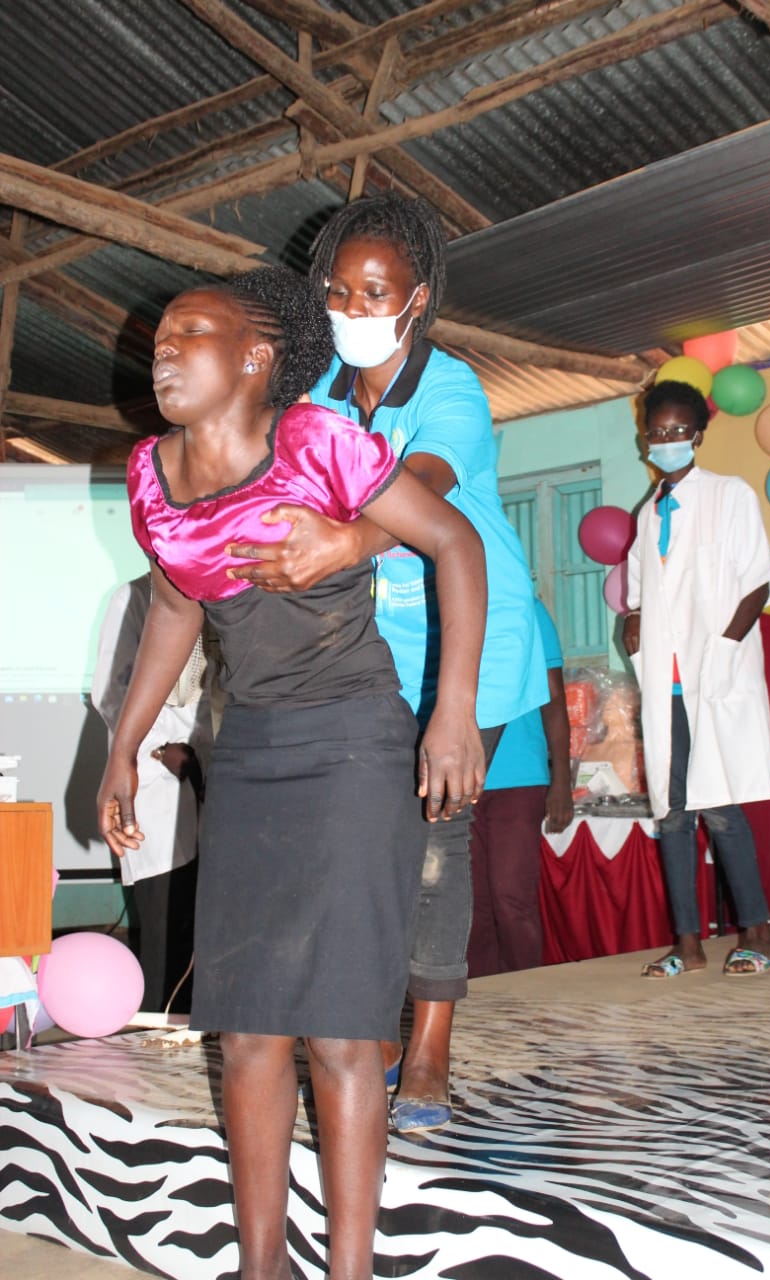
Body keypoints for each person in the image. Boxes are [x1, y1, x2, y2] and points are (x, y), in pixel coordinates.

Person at [96, 265, 487, 1280]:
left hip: (355, 741)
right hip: (256, 750)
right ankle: (262, 1265)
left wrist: (449, 712)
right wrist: (123, 746)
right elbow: (178, 606)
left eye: (191, 330)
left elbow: (454, 541)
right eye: (160, 336)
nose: (166, 347)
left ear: (260, 356)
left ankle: (349, 1270)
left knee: (341, 1031)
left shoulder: (313, 443)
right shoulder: (153, 472)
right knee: (249, 1025)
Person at [225, 192, 548, 1132]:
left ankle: (434, 1043)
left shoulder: (450, 389)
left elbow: (426, 490)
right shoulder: (319, 392)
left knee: (438, 836)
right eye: (340, 291)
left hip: (469, 638)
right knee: (367, 843)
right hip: (370, 652)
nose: (354, 310)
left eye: (377, 293)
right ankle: (363, 1024)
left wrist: (343, 544)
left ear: (416, 301)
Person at [623, 379, 770, 980]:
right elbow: (639, 592)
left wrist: (721, 651)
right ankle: (686, 944)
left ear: (698, 436)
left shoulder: (728, 495)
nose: (664, 441)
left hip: (711, 675)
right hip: (664, 685)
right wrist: (634, 622)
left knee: (719, 807)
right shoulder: (647, 513)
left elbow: (757, 583)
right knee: (671, 812)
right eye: (654, 433)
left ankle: (758, 934)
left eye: (675, 432)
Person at [91, 573, 215, 1013]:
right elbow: (113, 696)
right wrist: (168, 748)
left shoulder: (230, 593)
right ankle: (158, 1035)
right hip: (155, 783)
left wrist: (202, 752)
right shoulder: (134, 597)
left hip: (222, 780)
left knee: (220, 927)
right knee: (169, 926)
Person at [467, 597, 573, 977]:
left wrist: (561, 778)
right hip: (460, 773)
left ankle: (528, 992)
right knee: (469, 904)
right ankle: (481, 998)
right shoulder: (444, 601)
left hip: (518, 775)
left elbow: (554, 697)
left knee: (511, 897)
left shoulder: (526, 608)